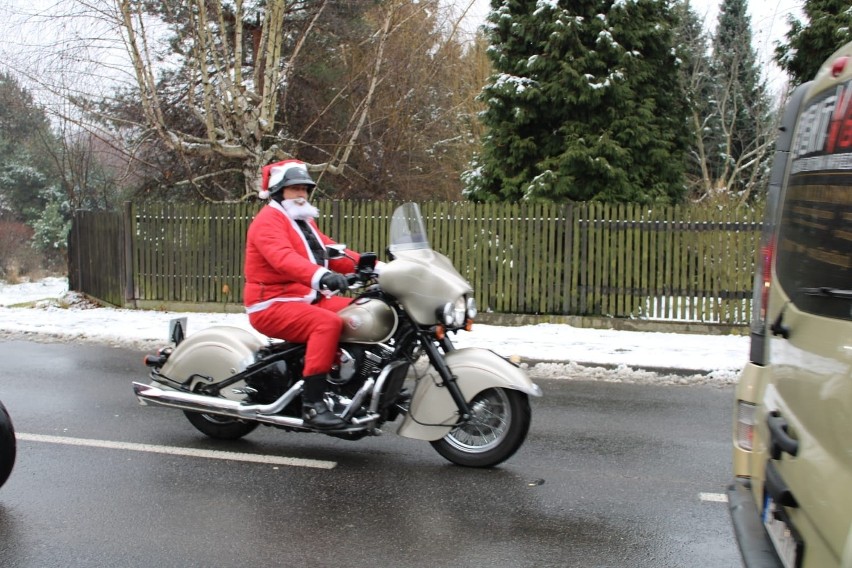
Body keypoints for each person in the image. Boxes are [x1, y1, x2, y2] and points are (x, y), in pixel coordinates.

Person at [244, 159, 358, 430]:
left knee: (364, 311)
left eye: (304, 189)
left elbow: (332, 251)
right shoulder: (267, 221)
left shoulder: (302, 221)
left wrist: (377, 268)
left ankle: (356, 384)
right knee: (326, 324)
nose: (301, 195)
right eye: (294, 188)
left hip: (308, 299)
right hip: (271, 304)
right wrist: (322, 276)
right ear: (278, 191)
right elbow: (283, 258)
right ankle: (313, 404)